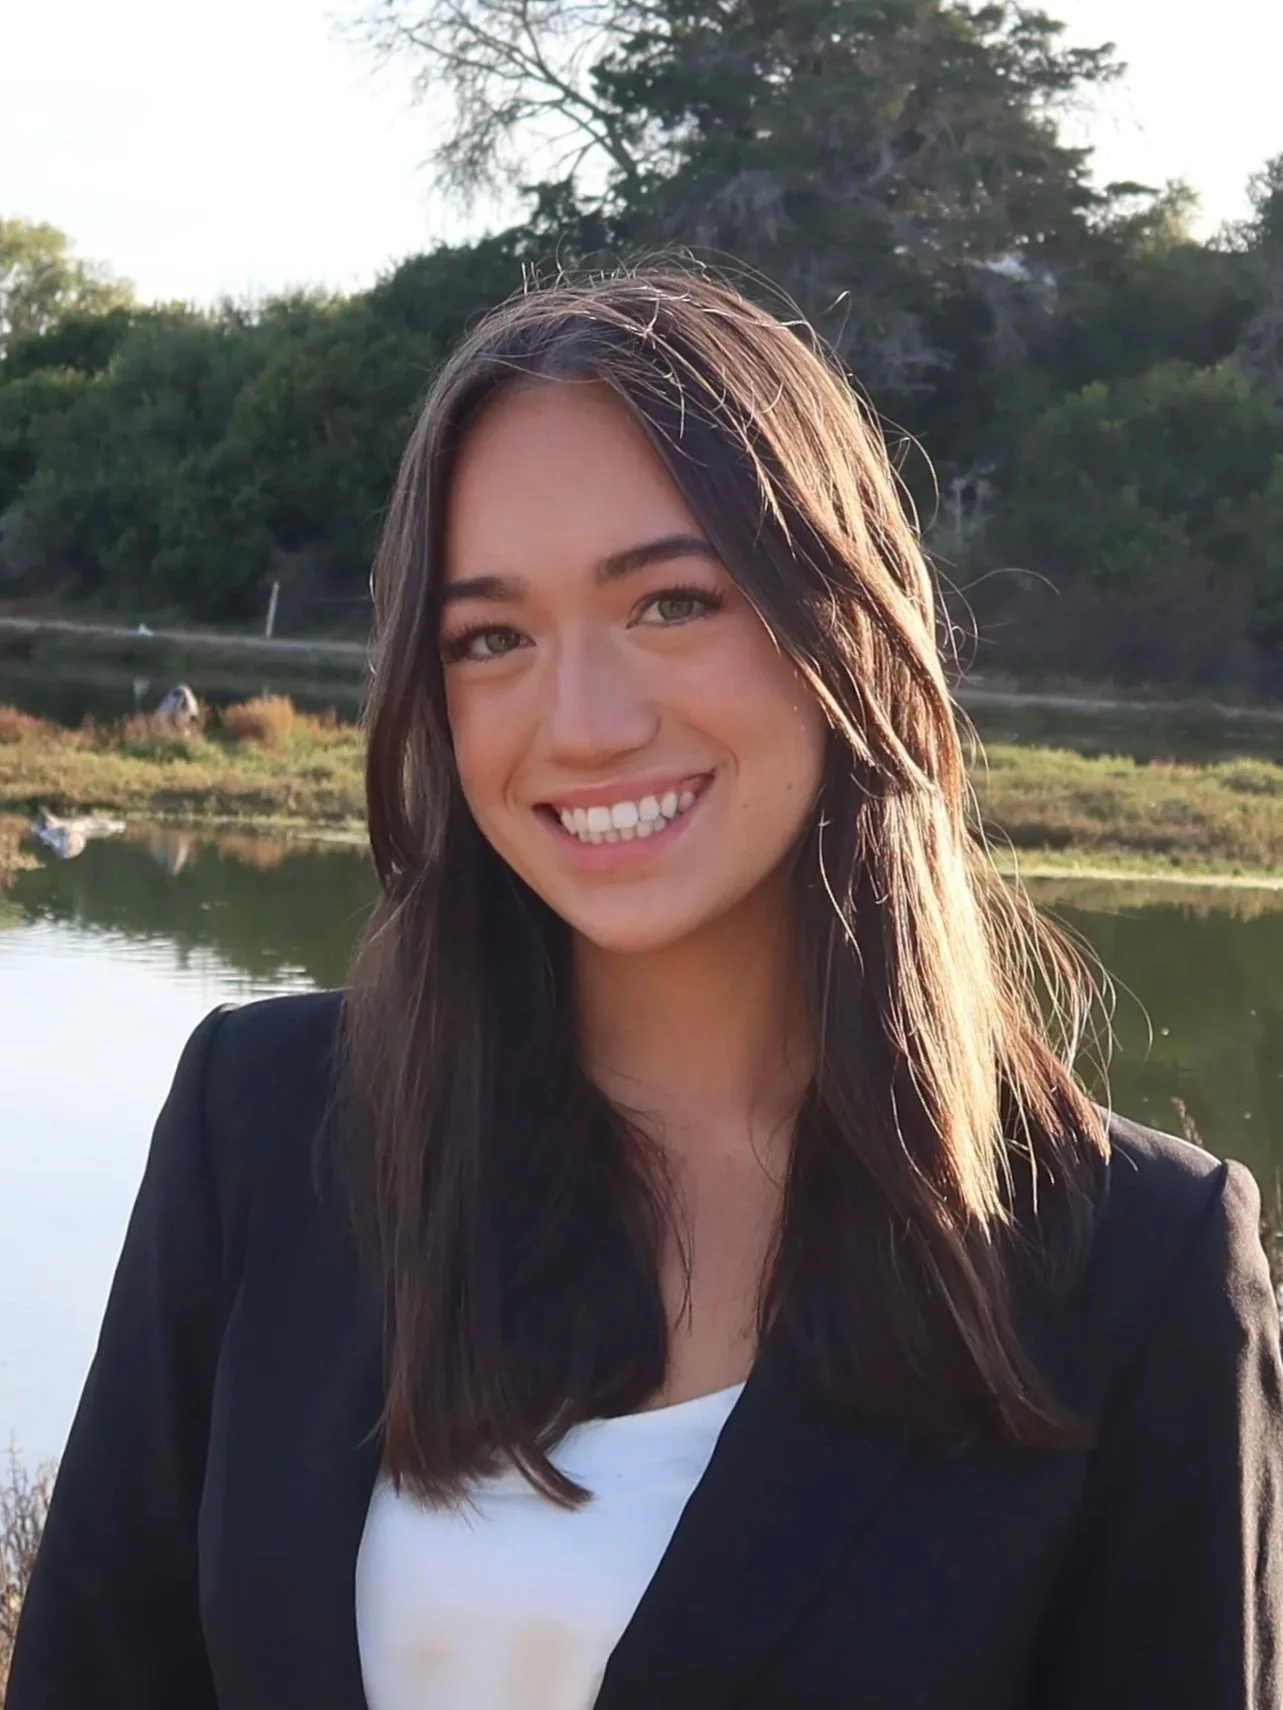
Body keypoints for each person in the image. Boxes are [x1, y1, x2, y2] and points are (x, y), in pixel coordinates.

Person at [9, 267, 1283, 1710]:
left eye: (671, 603)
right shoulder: (263, 1125)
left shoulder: (1132, 1268)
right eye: (491, 637)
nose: (583, 724)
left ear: (842, 628)